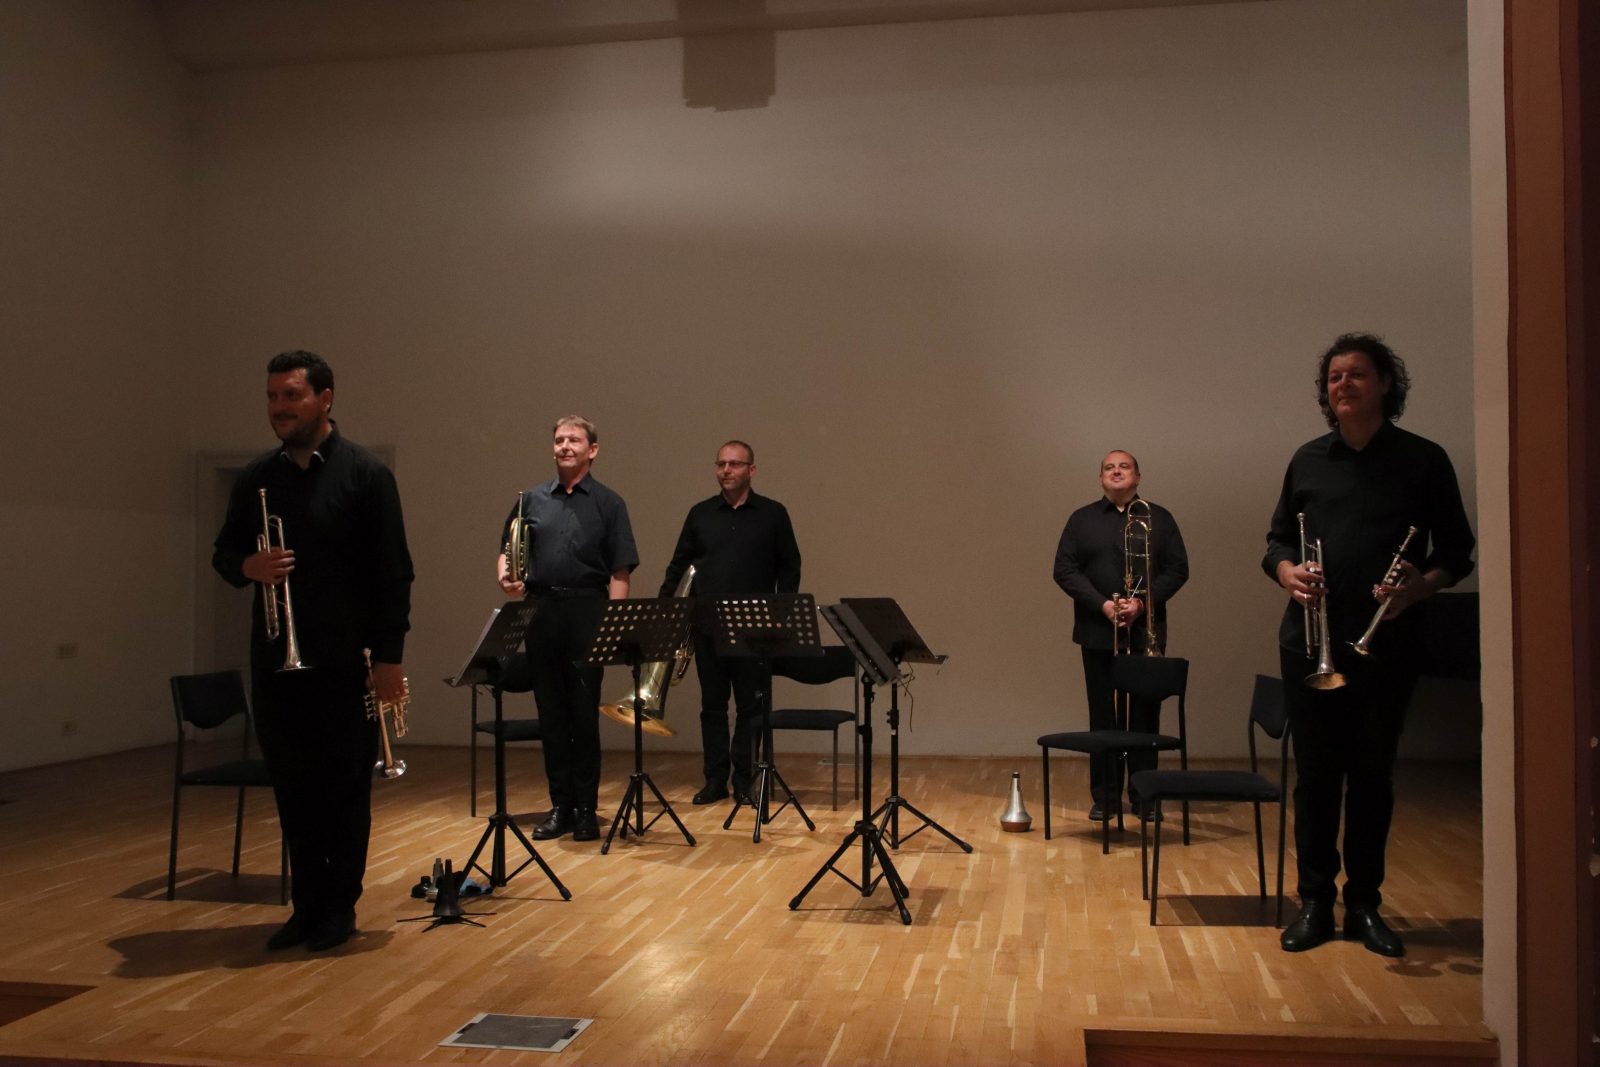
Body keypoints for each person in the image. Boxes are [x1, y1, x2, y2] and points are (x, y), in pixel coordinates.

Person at [1264, 333, 1475, 958]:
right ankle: (1313, 902)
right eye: (1334, 376)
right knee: (1315, 778)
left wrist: (1421, 586)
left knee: (1373, 776)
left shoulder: (1424, 460)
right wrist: (1288, 572)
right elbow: (1277, 542)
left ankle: (1364, 905)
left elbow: (1457, 551)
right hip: (1311, 642)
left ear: (1385, 383)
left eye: (1356, 374)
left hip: (1388, 643)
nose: (1343, 384)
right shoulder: (1308, 459)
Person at [212, 350, 413, 952]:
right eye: (273, 397)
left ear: (324, 399)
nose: (279, 408)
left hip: (346, 663)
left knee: (344, 790)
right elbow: (224, 555)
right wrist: (248, 566)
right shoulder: (256, 478)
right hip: (277, 663)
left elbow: (393, 572)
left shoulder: (366, 475)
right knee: (294, 791)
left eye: (291, 396)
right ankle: (306, 907)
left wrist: (390, 658)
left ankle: (339, 908)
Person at [498, 416, 638, 843]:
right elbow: (507, 549)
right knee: (552, 716)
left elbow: (620, 569)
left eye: (574, 439)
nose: (564, 446)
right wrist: (506, 576)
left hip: (587, 610)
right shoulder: (530, 500)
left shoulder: (610, 503)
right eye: (558, 439)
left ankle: (586, 809)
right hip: (541, 609)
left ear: (592, 450)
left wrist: (613, 624)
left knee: (583, 715)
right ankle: (560, 806)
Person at [660, 441, 802, 805]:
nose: (726, 470)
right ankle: (714, 780)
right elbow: (679, 565)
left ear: (751, 470)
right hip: (708, 626)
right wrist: (666, 610)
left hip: (755, 630)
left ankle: (745, 779)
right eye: (721, 464)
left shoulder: (773, 514)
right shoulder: (700, 514)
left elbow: (790, 566)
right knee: (712, 707)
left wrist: (780, 616)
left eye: (735, 464)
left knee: (751, 708)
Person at [1052, 450, 1189, 821]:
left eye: (1124, 466)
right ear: (1100, 478)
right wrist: (1104, 606)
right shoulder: (1081, 520)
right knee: (1102, 716)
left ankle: (1145, 795)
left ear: (1138, 477)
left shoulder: (1159, 518)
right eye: (1109, 468)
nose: (1116, 471)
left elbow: (1178, 569)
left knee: (1145, 715)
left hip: (1145, 632)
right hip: (1098, 632)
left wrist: (1142, 604)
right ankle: (1106, 797)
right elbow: (1064, 569)